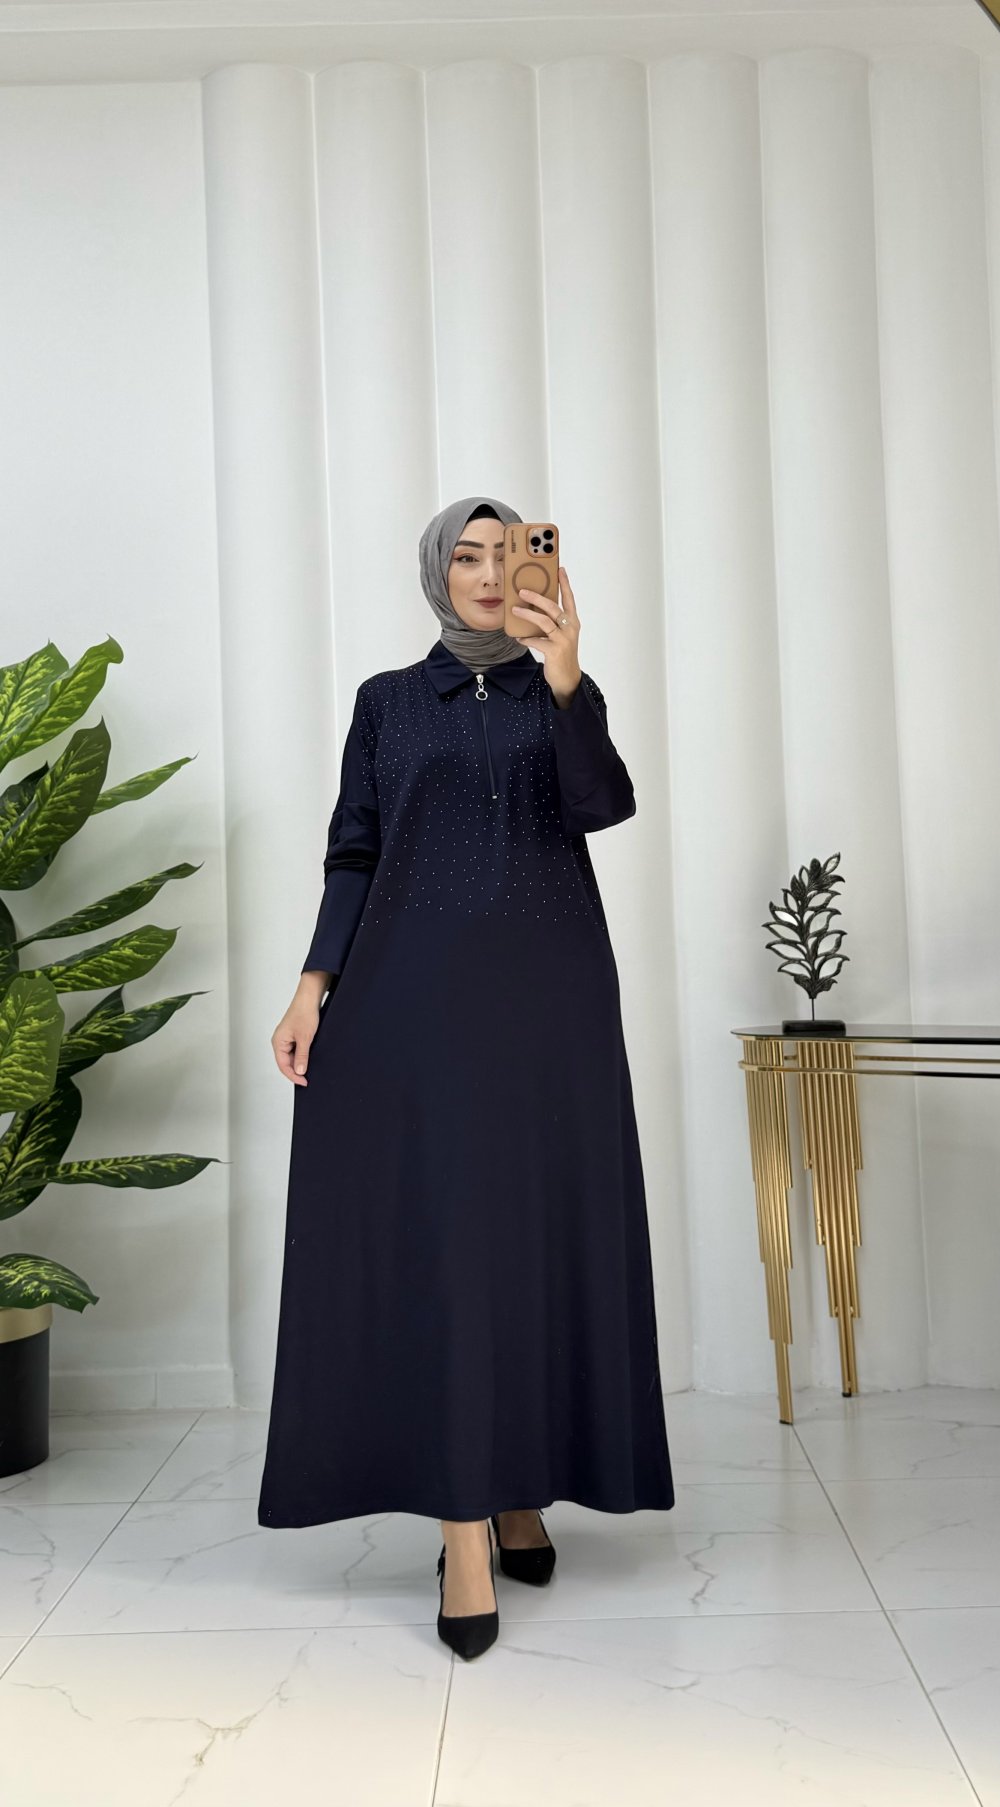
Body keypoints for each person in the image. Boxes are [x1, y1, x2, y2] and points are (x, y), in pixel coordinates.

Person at [258, 495, 674, 1660]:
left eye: (511, 553)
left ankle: (521, 1487)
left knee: (532, 1237)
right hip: (412, 1006)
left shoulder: (561, 693)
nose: (491, 573)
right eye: (469, 555)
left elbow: (602, 805)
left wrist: (568, 675)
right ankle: (464, 1530)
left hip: (551, 1007)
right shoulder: (387, 702)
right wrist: (311, 986)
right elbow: (354, 849)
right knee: (446, 1246)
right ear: (437, 572)